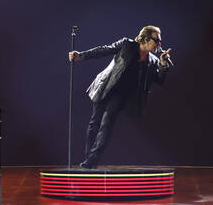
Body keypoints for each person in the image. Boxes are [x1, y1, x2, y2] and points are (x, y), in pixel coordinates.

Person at [68, 25, 173, 169]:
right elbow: (104, 50)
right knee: (94, 123)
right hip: (106, 86)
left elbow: (159, 81)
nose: (159, 44)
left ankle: (91, 161)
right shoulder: (127, 45)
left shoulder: (153, 61)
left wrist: (163, 64)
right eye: (157, 40)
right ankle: (88, 159)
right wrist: (81, 55)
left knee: (107, 124)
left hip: (121, 95)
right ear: (147, 39)